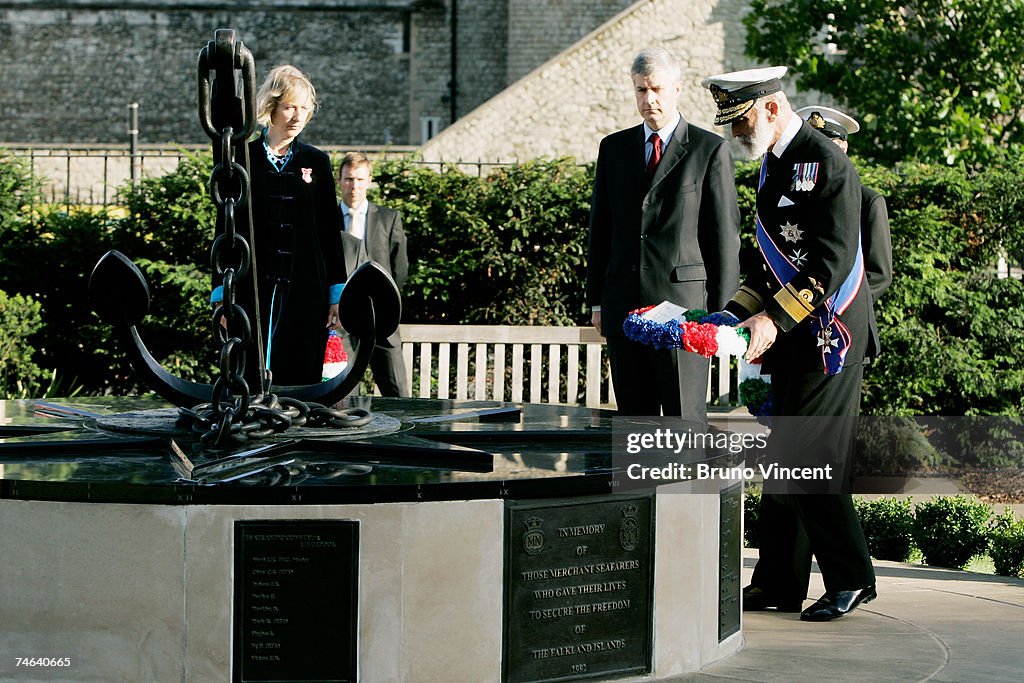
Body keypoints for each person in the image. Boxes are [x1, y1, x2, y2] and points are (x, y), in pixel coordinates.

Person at [701, 67, 877, 621]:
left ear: (773, 108)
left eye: (742, 121)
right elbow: (768, 264)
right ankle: (778, 582)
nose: (735, 135)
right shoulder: (775, 167)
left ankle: (853, 579)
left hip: (829, 337)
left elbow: (829, 263)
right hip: (793, 338)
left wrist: (772, 320)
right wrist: (730, 316)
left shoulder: (826, 162)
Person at [586, 47, 740, 421]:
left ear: (677, 89)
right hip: (624, 309)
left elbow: (723, 238)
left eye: (656, 88)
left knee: (684, 424)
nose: (649, 99)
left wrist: (721, 316)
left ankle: (688, 483)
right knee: (634, 428)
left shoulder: (709, 150)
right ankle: (638, 484)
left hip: (686, 312)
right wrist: (596, 302)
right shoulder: (613, 148)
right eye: (640, 90)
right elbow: (600, 230)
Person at [211, 64, 345, 387]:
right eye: (289, 107)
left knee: (301, 373)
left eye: (303, 108)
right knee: (248, 370)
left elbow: (330, 232)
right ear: (271, 107)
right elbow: (226, 229)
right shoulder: (244, 160)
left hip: (306, 289)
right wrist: (220, 291)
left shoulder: (318, 163)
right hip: (251, 287)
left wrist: (336, 293)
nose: (297, 116)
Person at [795, 105, 893, 310]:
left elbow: (878, 275)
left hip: (842, 317)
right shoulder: (793, 198)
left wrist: (838, 306)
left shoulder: (869, 202)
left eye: (827, 146)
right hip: (793, 311)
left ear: (844, 148)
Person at [337, 152, 410, 397]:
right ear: (339, 181)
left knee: (397, 393)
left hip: (382, 320)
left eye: (359, 179)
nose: (354, 186)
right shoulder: (326, 221)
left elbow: (399, 270)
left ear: (369, 180)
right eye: (348, 179)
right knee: (342, 396)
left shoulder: (389, 219)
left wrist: (387, 305)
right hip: (339, 322)